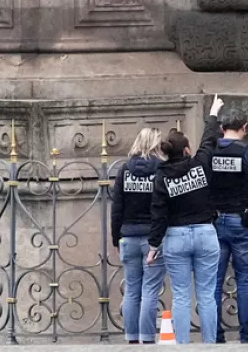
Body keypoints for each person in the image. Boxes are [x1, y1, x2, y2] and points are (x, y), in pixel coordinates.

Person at [148, 103, 225, 345]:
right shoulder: (200, 164)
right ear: (187, 151)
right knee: (207, 295)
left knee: (181, 296)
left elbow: (158, 214)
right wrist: (213, 112)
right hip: (205, 233)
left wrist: (153, 246)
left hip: (176, 237)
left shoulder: (162, 178)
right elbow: (209, 140)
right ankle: (210, 344)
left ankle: (181, 346)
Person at [208, 105, 248, 343]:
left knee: (213, 282)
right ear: (244, 128)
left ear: (222, 128)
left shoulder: (211, 150)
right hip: (243, 221)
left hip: (215, 221)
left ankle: (214, 336)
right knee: (245, 280)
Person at [112, 127, 167, 344]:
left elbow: (117, 208)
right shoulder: (160, 170)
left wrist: (116, 238)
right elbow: (163, 207)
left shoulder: (124, 170)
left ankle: (132, 338)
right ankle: (147, 338)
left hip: (128, 236)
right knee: (150, 290)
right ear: (156, 144)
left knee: (132, 290)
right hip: (152, 238)